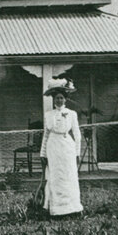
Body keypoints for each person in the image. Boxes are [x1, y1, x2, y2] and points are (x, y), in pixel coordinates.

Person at [40, 79, 83, 217]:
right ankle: (57, 210)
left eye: (61, 98)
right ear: (53, 100)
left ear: (65, 99)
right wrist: (43, 154)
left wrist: (77, 153)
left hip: (67, 147)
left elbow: (77, 135)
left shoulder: (72, 114)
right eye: (57, 98)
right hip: (53, 147)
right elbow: (46, 135)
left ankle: (72, 208)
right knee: (55, 176)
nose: (59, 101)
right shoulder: (48, 115)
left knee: (69, 176)